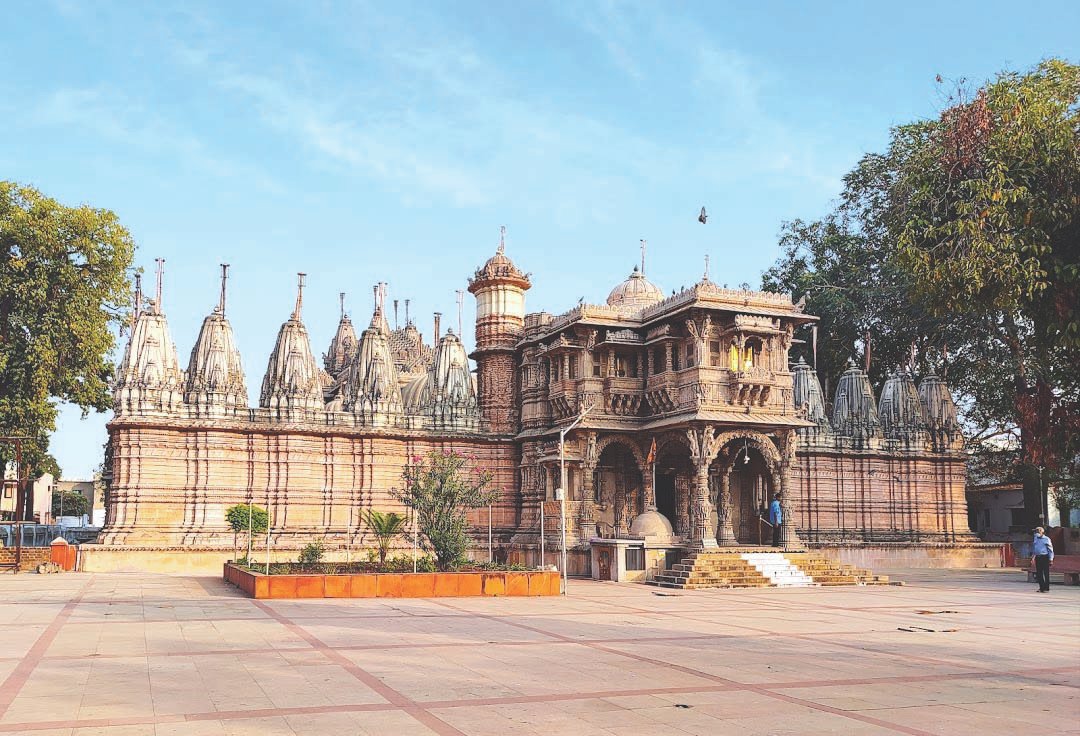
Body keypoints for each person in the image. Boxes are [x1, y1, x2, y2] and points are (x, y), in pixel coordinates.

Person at [1031, 527, 1054, 592]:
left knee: (1046, 573)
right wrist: (1033, 557)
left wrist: (1051, 559)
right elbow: (1034, 548)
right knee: (1039, 573)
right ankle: (1041, 587)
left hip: (1045, 557)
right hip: (1038, 557)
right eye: (1035, 532)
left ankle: (1046, 588)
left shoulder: (1046, 539)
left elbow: (1050, 550)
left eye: (1037, 532)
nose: (1035, 533)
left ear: (1041, 532)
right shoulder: (1035, 539)